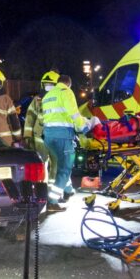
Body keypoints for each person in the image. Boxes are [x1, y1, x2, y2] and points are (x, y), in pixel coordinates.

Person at [41, 74, 99, 211]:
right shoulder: (66, 92)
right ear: (69, 84)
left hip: (48, 137)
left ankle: (68, 190)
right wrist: (84, 128)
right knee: (65, 168)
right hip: (62, 136)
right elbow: (74, 114)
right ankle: (52, 201)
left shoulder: (48, 95)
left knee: (62, 164)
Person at [23, 71, 59, 180]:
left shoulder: (61, 99)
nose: (48, 87)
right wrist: (27, 136)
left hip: (55, 138)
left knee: (56, 165)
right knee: (41, 165)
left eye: (51, 85)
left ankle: (53, 187)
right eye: (46, 84)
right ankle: (42, 186)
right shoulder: (37, 100)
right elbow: (30, 117)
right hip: (40, 139)